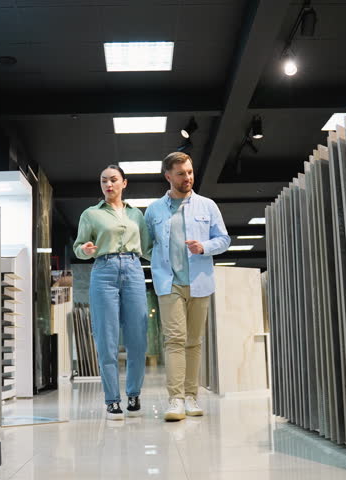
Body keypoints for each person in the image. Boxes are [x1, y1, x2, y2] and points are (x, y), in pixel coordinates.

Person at [144, 152, 230, 421]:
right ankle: (176, 399)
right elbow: (146, 246)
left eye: (190, 172)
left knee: (193, 342)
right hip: (169, 283)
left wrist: (204, 246)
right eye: (181, 174)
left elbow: (224, 239)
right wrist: (160, 261)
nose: (188, 178)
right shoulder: (154, 210)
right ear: (168, 176)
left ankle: (191, 396)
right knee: (174, 340)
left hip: (199, 282)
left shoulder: (207, 206)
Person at [73, 165, 153, 420]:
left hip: (134, 270)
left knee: (137, 339)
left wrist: (174, 259)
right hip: (103, 271)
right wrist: (85, 250)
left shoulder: (136, 215)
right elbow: (78, 247)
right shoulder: (91, 214)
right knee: (106, 339)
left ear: (124, 183)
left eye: (114, 180)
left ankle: (134, 394)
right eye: (104, 181)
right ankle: (112, 400)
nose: (108, 184)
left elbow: (148, 249)